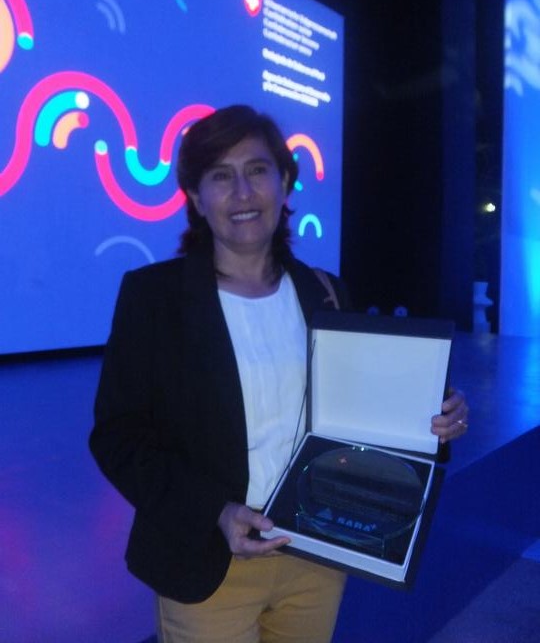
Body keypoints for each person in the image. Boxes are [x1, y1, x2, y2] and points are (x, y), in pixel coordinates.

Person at [89, 105, 469, 643]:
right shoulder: (155, 298)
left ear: (285, 183)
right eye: (221, 176)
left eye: (257, 170)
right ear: (196, 197)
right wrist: (215, 512)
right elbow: (118, 436)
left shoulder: (325, 292)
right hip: (207, 561)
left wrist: (434, 419)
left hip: (315, 553)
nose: (243, 192)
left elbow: (359, 416)